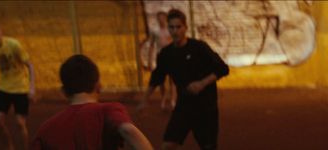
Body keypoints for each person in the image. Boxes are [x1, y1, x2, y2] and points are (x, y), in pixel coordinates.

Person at [138, 9, 229, 150]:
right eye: (172, 27)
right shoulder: (166, 54)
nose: (175, 31)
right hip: (184, 106)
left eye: (178, 27)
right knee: (168, 145)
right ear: (168, 28)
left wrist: (201, 83)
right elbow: (157, 77)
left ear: (185, 28)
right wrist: (144, 100)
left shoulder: (199, 48)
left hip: (205, 108)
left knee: (208, 147)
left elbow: (223, 69)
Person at [30, 55, 153, 150]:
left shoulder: (45, 129)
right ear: (98, 86)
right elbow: (128, 130)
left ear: (64, 91)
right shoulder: (108, 110)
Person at [0, 20, 35, 150]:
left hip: (20, 88)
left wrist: (31, 87)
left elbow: (29, 65)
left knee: (20, 123)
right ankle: (9, 147)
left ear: (1, 31)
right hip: (4, 89)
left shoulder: (14, 45)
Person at [141, 11, 176, 110]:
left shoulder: (171, 29)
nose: (160, 20)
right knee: (161, 80)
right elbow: (152, 46)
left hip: (172, 56)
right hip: (160, 57)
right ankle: (163, 99)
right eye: (158, 18)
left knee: (173, 80)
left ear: (166, 18)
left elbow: (175, 43)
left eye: (162, 18)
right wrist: (149, 60)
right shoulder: (155, 31)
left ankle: (173, 101)